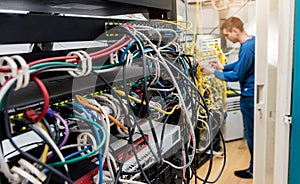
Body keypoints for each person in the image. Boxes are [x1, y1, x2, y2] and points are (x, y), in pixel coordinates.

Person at [201, 16, 255, 179]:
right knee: (252, 134)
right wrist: (222, 66)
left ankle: (253, 169)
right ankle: (255, 167)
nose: (227, 38)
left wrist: (213, 72)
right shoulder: (252, 43)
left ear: (235, 31)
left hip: (249, 98)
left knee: (251, 134)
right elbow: (240, 64)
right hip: (252, 96)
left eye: (226, 35)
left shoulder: (247, 47)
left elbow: (237, 75)